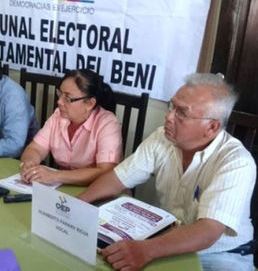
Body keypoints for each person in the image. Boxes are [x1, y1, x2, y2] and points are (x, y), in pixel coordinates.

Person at [78, 73, 256, 271]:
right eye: (171, 106)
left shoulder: (236, 163)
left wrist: (145, 251)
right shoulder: (162, 138)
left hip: (220, 255)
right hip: (166, 242)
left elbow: (208, 231)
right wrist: (77, 205)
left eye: (181, 112)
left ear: (211, 127)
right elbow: (117, 178)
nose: (168, 117)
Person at [19, 69, 122, 186]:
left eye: (67, 98)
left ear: (89, 104)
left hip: (95, 189)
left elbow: (106, 171)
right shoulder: (58, 115)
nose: (59, 102)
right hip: (63, 187)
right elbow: (35, 148)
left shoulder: (107, 123)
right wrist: (29, 164)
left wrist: (56, 176)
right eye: (60, 94)